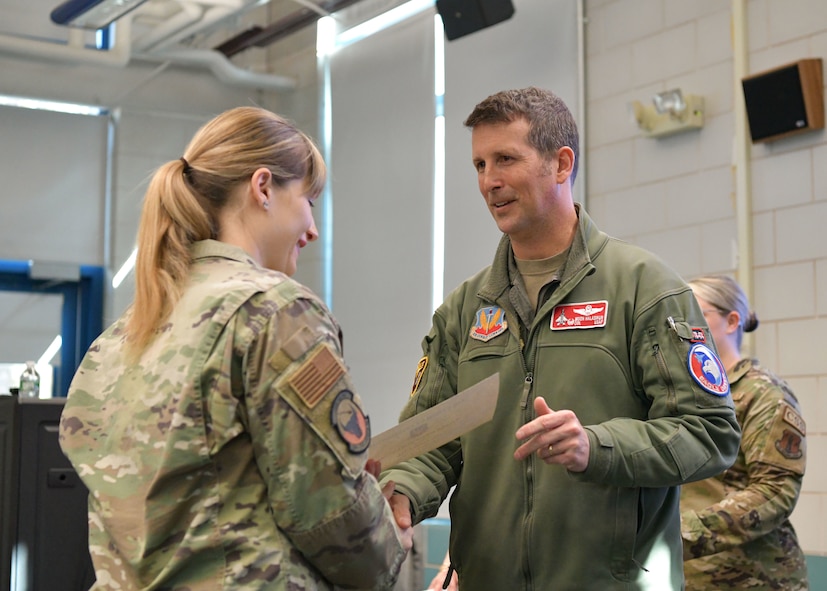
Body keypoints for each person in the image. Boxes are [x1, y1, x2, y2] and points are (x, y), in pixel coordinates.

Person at [380, 87, 742, 591]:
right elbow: (433, 441)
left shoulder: (642, 287)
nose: (490, 181)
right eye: (480, 165)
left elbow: (711, 433)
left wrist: (597, 446)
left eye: (506, 158)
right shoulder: (464, 310)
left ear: (560, 163)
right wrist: (401, 494)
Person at [59, 106, 413, 590]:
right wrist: (389, 537)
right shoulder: (274, 310)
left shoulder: (121, 335)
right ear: (263, 187)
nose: (312, 229)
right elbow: (329, 510)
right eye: (308, 200)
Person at [681, 274, 808, 590]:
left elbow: (775, 489)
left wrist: (683, 534)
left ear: (731, 321)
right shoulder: (677, 392)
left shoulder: (762, 393)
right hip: (683, 575)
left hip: (752, 577)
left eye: (695, 315)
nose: (684, 328)